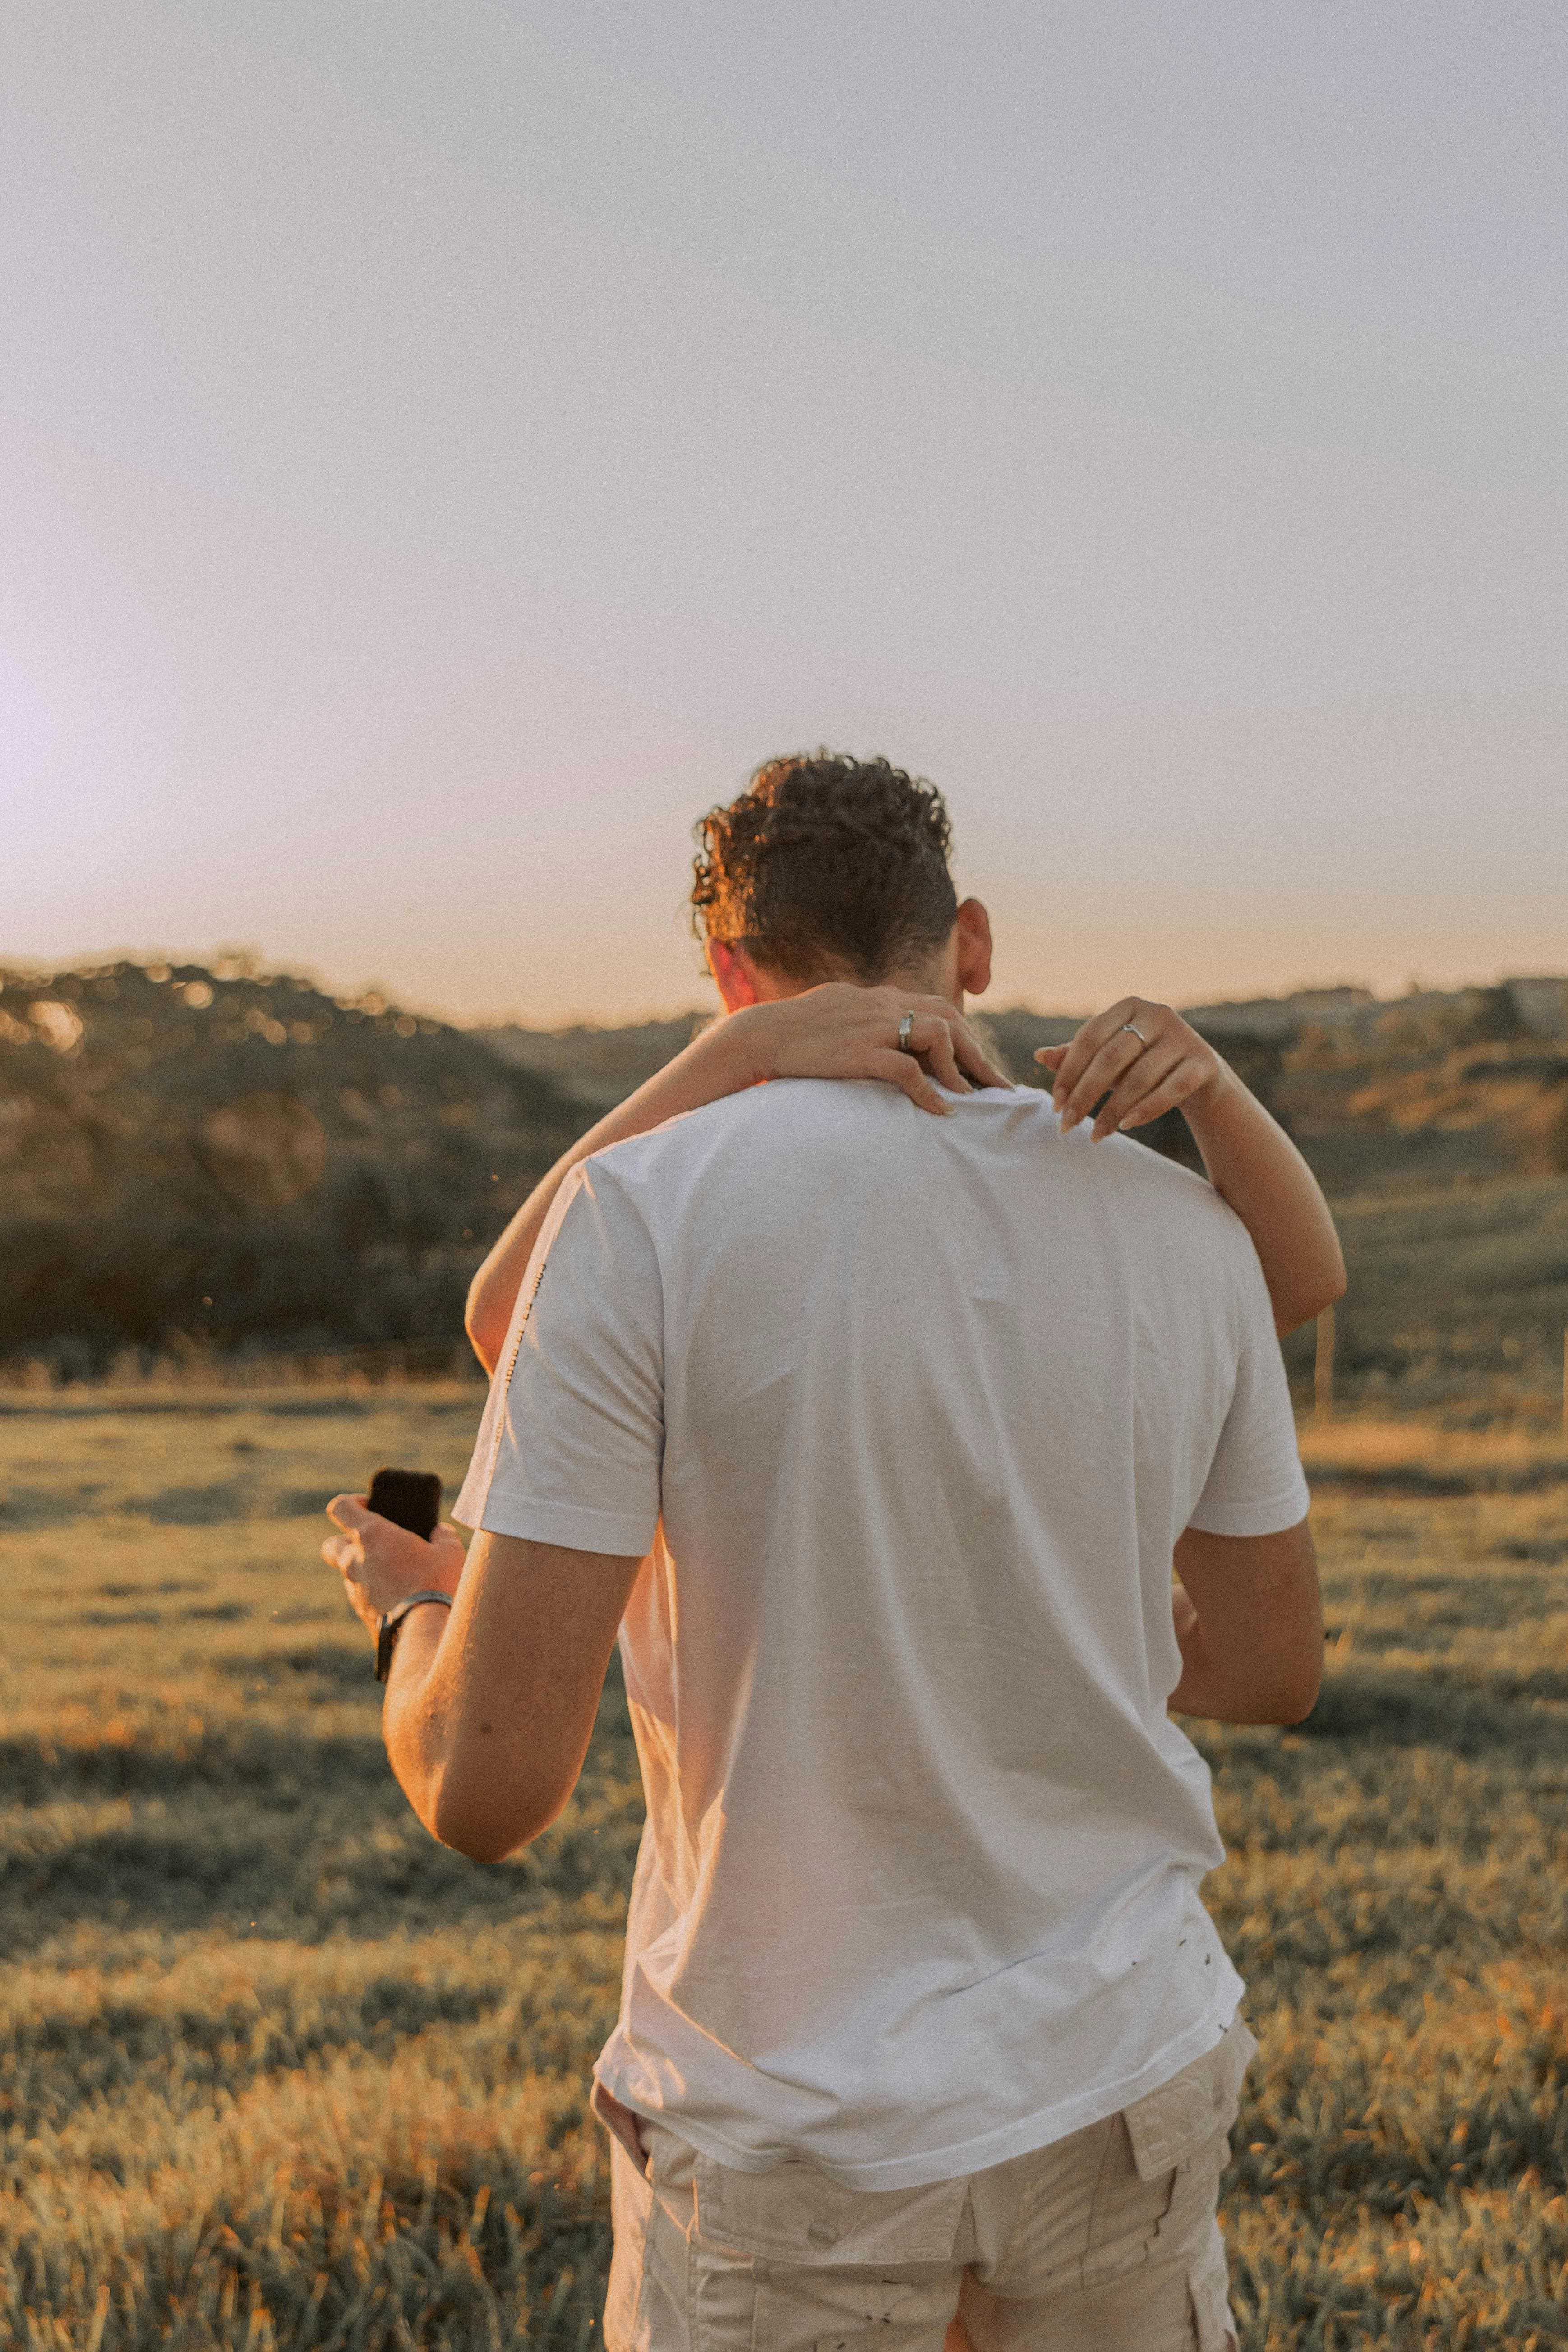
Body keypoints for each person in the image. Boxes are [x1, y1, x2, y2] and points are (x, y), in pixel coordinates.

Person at [324, 752, 1343, 2352]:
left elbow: (483, 1789)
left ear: (726, 977)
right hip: (1117, 2085)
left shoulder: (636, 1214)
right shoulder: (1180, 1227)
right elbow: (1270, 1671)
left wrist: (416, 1618)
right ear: (975, 944)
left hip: (787, 2133)